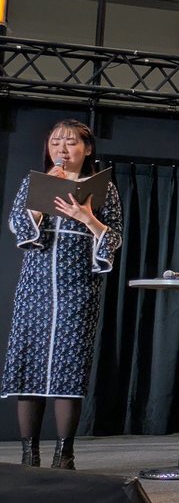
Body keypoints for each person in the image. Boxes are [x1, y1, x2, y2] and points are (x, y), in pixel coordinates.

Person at [2, 119, 123, 470]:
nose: (62, 149)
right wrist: (40, 203)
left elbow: (114, 237)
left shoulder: (104, 189)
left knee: (69, 368)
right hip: (35, 287)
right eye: (56, 142)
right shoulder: (34, 183)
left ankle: (64, 456)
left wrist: (88, 218)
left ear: (87, 149)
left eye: (70, 143)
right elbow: (17, 225)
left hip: (77, 288)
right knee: (30, 366)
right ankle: (29, 457)